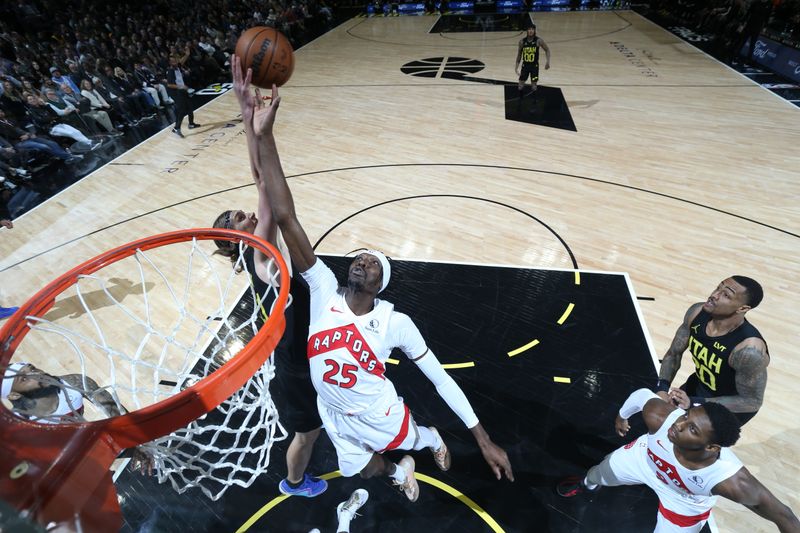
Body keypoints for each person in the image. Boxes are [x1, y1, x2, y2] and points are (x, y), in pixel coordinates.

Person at [250, 83, 514, 502]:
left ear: (380, 284)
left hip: (381, 413)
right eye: (360, 257)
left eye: (373, 263)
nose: (362, 261)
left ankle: (430, 439)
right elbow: (285, 215)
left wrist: (481, 438)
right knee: (363, 471)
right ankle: (398, 471)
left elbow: (441, 381)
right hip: (334, 413)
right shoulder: (323, 291)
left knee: (412, 439)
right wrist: (263, 136)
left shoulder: (394, 323)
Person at [211, 55, 326, 498]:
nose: (245, 215)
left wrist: (247, 116)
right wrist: (250, 122)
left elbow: (260, 183)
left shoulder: (259, 258)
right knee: (307, 436)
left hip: (298, 356)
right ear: (234, 238)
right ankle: (293, 482)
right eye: (238, 219)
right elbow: (264, 187)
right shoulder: (261, 260)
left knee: (317, 427)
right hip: (296, 368)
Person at [557, 388, 800, 533]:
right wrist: (622, 416)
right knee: (597, 473)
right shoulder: (662, 418)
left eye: (692, 429)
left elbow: (784, 516)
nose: (678, 425)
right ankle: (586, 485)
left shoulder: (729, 480)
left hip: (683, 500)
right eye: (685, 417)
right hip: (644, 460)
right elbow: (641, 395)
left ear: (712, 447)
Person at [1, 362, 154, 472]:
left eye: (32, 368)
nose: (37, 374)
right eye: (24, 379)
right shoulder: (19, 425)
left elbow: (116, 412)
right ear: (14, 395)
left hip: (89, 439)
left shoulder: (74, 382)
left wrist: (136, 442)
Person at [657, 277, 768, 425]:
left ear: (742, 308)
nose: (714, 295)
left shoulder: (748, 350)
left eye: (726, 295)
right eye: (718, 288)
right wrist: (662, 388)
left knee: (688, 444)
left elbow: (751, 401)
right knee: (662, 425)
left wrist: (695, 402)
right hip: (700, 386)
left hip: (729, 409)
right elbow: (674, 354)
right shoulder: (697, 312)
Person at [166, 55, 201, 138]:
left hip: (182, 90)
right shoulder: (171, 71)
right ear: (170, 63)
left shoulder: (177, 66)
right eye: (173, 61)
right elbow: (169, 85)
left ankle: (191, 124)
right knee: (182, 109)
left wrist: (187, 54)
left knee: (190, 106)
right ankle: (176, 128)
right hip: (176, 92)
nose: (176, 62)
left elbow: (182, 61)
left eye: (176, 60)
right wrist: (182, 87)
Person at [515, 24, 550, 98]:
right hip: (525, 65)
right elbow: (519, 55)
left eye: (532, 29)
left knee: (534, 86)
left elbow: (547, 50)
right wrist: (516, 67)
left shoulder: (538, 41)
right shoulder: (522, 42)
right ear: (527, 30)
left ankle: (534, 102)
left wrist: (548, 61)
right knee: (520, 85)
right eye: (529, 29)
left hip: (534, 66)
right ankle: (520, 100)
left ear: (534, 31)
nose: (531, 31)